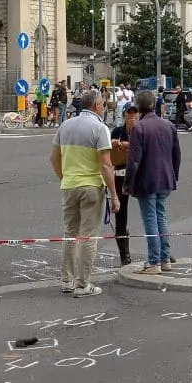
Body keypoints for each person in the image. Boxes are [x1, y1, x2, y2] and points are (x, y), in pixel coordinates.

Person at [49, 89, 118, 296]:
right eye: (103, 104)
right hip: (91, 187)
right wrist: (114, 194)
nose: (104, 107)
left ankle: (66, 281)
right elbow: (106, 166)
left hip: (69, 185)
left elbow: (54, 158)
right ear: (96, 106)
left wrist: (65, 177)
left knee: (70, 234)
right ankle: (82, 284)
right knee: (88, 237)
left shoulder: (65, 125)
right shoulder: (100, 128)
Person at [125, 88, 181, 275]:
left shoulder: (139, 128)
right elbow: (176, 155)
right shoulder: (168, 126)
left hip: (147, 180)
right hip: (166, 177)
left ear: (139, 108)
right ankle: (165, 258)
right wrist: (174, 174)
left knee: (150, 219)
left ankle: (154, 261)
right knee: (161, 216)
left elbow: (134, 161)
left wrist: (128, 184)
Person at [109, 104, 139, 265]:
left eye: (135, 115)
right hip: (120, 175)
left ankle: (161, 251)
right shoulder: (117, 132)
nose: (132, 118)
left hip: (140, 175)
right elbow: (113, 151)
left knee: (150, 212)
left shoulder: (141, 131)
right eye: (129, 115)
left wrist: (127, 146)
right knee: (121, 215)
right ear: (124, 116)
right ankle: (124, 255)